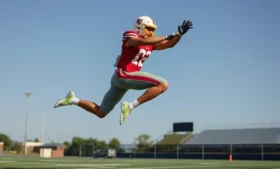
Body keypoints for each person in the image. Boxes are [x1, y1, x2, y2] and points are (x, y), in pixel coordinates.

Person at [53, 16, 193, 125]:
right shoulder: (131, 35)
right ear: (140, 26)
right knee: (163, 84)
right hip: (124, 74)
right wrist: (167, 35)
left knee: (101, 112)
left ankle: (72, 99)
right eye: (149, 28)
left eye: (152, 29)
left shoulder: (151, 43)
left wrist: (179, 34)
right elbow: (139, 42)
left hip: (121, 80)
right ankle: (130, 106)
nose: (151, 32)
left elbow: (169, 45)